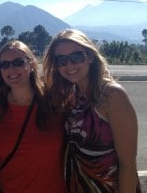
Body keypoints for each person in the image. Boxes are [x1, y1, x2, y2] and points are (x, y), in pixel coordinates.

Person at [43, 28, 141, 193]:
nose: (69, 65)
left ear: (89, 56)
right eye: (61, 60)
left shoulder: (112, 95)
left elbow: (128, 163)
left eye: (76, 57)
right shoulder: (71, 95)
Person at [0, 40, 67, 193]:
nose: (11, 69)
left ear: (31, 65)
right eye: (4, 65)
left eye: (18, 62)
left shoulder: (55, 102)